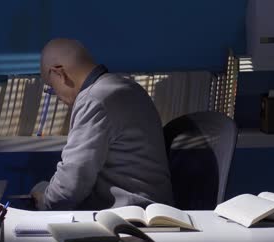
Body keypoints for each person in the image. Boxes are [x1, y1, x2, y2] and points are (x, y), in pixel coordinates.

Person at [30, 38, 173, 210]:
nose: (58, 97)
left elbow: (69, 187)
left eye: (52, 88)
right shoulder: (127, 87)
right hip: (151, 206)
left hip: (130, 217)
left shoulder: (94, 99)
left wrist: (43, 202)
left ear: (60, 74)